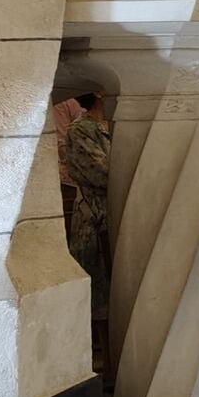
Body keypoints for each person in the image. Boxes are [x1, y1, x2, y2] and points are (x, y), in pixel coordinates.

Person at [63, 94, 111, 318]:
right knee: (100, 301)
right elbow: (104, 174)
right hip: (96, 217)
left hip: (116, 215)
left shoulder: (114, 124)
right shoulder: (81, 129)